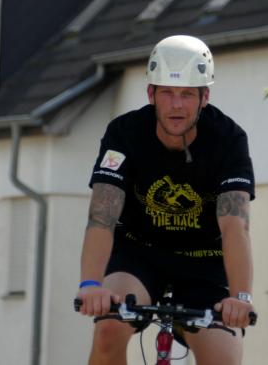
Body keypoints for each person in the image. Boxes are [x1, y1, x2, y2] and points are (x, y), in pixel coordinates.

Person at [76, 35, 256, 365]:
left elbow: (235, 225)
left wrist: (241, 297)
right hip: (138, 254)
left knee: (224, 358)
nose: (176, 105)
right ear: (151, 94)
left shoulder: (228, 139)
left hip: (205, 262)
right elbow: (102, 215)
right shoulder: (124, 133)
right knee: (108, 330)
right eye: (167, 93)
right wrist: (90, 284)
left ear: (204, 98)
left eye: (187, 94)